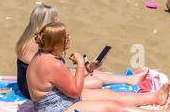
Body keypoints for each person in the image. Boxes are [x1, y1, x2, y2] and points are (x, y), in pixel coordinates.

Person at [26, 23, 170, 112]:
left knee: (108, 94)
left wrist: (87, 69)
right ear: (56, 43)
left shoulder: (43, 56)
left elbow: (66, 82)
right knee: (113, 107)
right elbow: (75, 91)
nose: (69, 39)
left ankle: (155, 97)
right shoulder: (53, 63)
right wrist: (80, 64)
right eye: (65, 38)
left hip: (58, 102)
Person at [15, 5, 148, 98]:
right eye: (56, 18)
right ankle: (128, 80)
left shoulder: (29, 37)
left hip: (33, 83)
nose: (59, 20)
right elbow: (52, 71)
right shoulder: (36, 44)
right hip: (36, 90)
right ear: (47, 21)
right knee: (95, 82)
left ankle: (128, 79)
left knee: (90, 72)